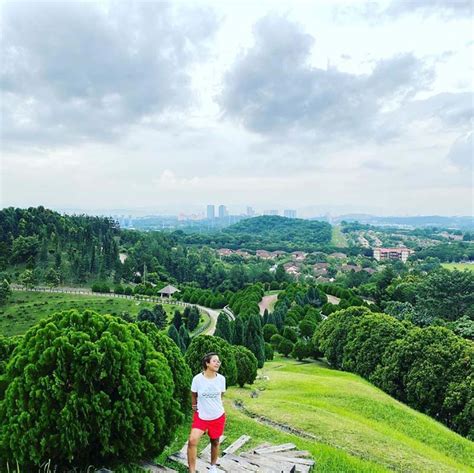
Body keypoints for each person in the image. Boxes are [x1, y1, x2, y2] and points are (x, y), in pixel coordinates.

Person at [187, 352, 226, 473]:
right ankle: (192, 471)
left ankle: (213, 467)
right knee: (192, 440)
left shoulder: (221, 379)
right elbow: (193, 393)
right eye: (214, 361)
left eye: (218, 361)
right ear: (207, 363)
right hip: (201, 417)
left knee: (215, 441)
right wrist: (194, 405)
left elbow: (221, 395)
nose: (218, 363)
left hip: (217, 416)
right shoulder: (197, 379)